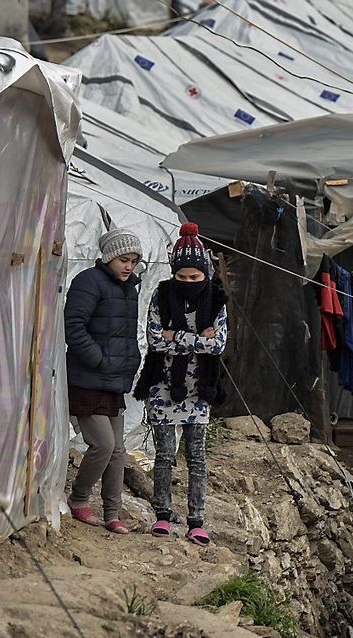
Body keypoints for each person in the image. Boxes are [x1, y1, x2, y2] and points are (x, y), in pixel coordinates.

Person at [134, 222, 227, 546]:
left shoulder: (216, 300)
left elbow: (219, 345)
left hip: (198, 388)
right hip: (162, 387)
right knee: (164, 455)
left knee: (197, 457)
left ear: (205, 274)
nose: (188, 283)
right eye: (182, 277)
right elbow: (155, 340)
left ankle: (196, 519)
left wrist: (178, 336)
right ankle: (162, 513)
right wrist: (197, 338)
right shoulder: (161, 295)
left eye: (195, 278)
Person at [65, 227, 143, 534]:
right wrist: (99, 360)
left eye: (134, 261)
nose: (129, 266)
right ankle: (79, 498)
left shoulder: (129, 289)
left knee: (118, 450)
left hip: (114, 380)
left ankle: (113, 513)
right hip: (87, 378)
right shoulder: (88, 282)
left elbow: (125, 334)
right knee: (103, 445)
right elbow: (73, 326)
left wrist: (129, 362)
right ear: (109, 257)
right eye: (124, 259)